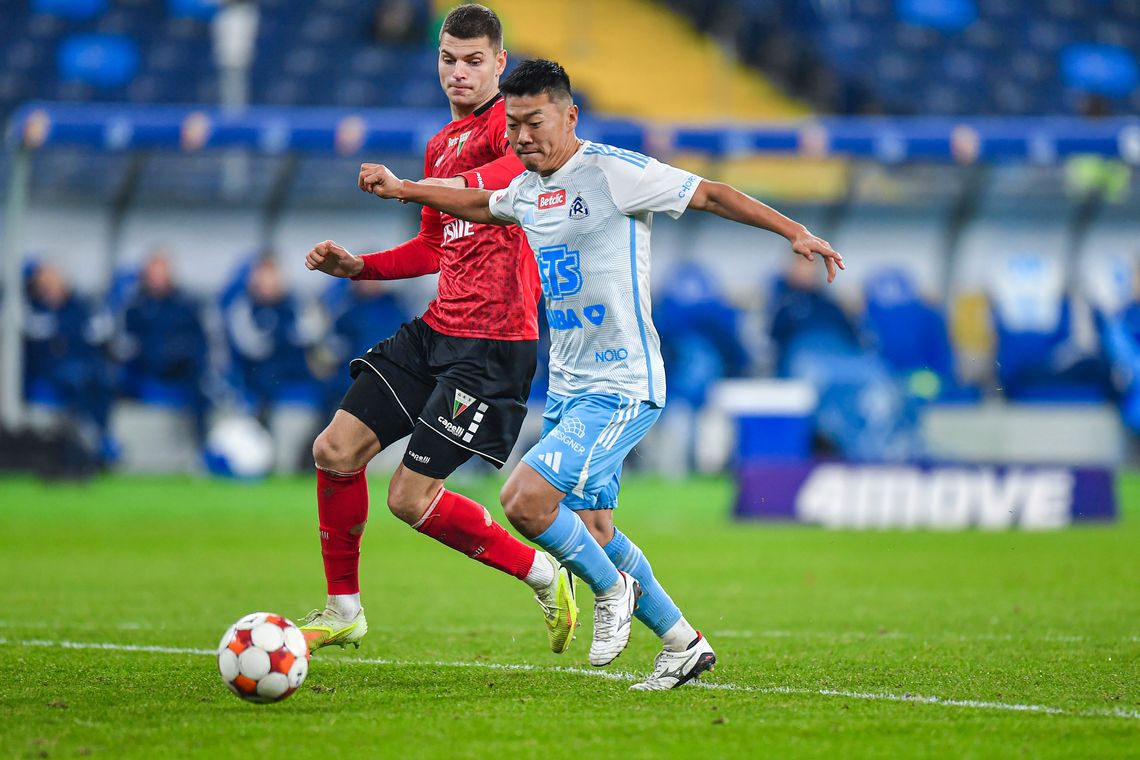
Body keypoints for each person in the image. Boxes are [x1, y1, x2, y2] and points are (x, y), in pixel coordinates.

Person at [358, 58, 844, 689]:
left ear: (569, 115)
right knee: (593, 528)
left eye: (535, 122)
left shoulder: (614, 172)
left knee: (525, 500)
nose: (523, 137)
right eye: (513, 126)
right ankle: (682, 642)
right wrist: (405, 190)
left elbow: (713, 193)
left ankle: (611, 590)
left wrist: (794, 231)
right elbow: (479, 203)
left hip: (622, 385)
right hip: (568, 385)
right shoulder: (529, 189)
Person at [298, 5, 577, 656]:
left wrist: (407, 188)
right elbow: (433, 246)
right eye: (449, 59)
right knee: (335, 450)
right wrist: (360, 266)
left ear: (499, 64)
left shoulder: (518, 130)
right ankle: (344, 610)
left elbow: (493, 190)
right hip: (438, 329)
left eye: (474, 61)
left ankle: (543, 572)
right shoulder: (439, 145)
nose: (459, 72)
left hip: (493, 346)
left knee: (408, 496)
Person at [118, 250, 211, 440]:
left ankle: (202, 445)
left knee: (203, 386)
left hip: (181, 370)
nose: (158, 279)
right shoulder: (135, 306)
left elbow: (200, 342)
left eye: (162, 273)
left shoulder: (187, 305)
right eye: (154, 274)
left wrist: (177, 352)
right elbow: (126, 344)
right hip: (145, 369)